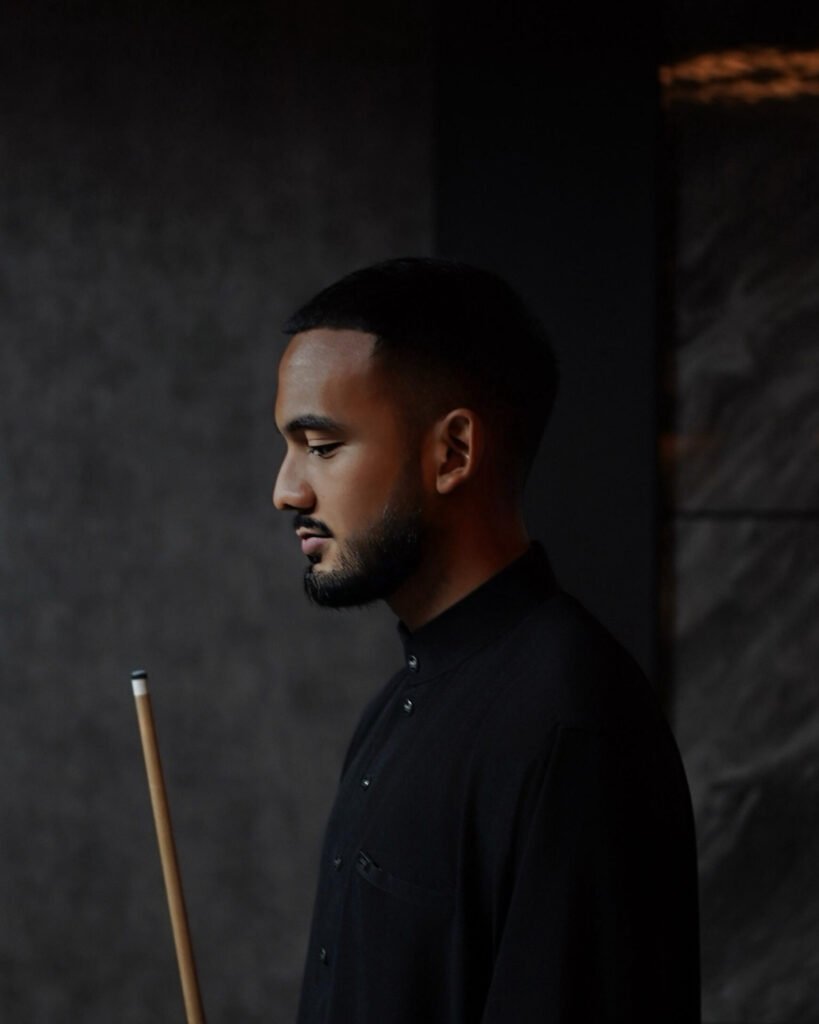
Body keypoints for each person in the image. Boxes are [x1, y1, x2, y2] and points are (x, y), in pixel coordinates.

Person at [272, 257, 700, 1023]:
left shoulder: (569, 726)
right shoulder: (394, 708)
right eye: (289, 446)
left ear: (453, 453)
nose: (286, 490)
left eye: (322, 446)